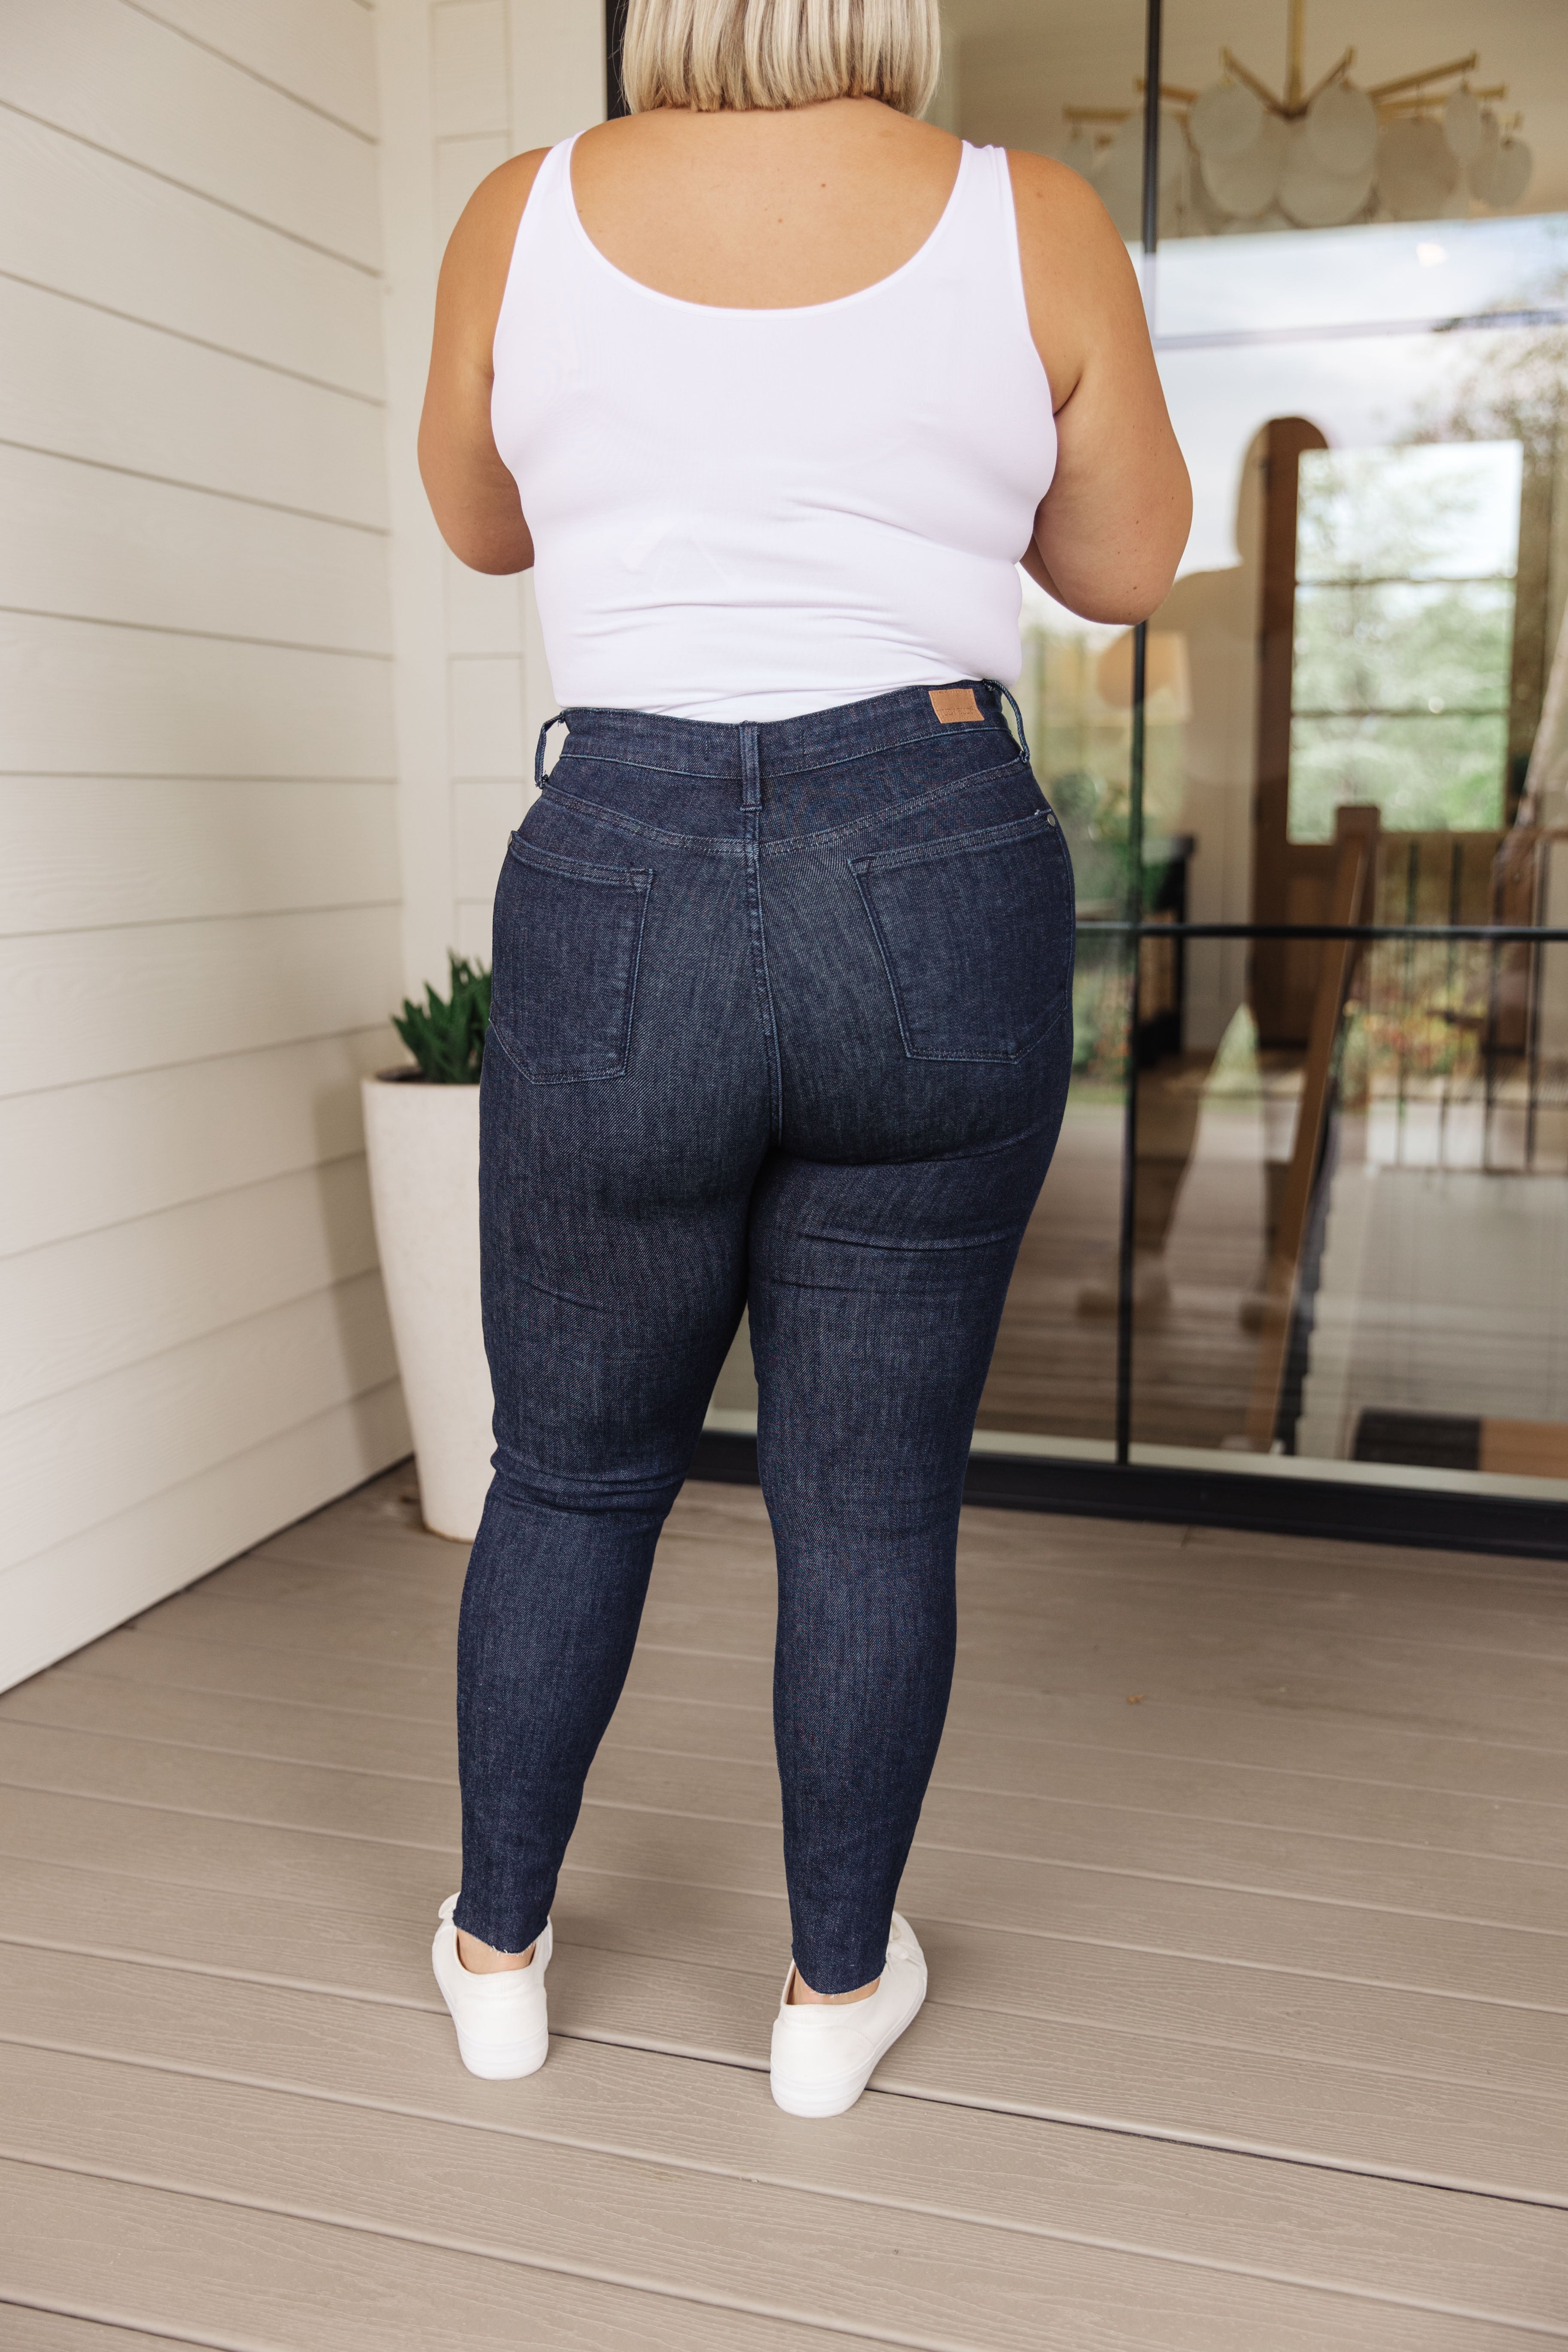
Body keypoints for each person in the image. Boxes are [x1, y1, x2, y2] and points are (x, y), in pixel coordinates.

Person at [417, 0, 1188, 2118]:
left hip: (623, 863)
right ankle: (832, 1996)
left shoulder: (519, 212)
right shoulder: (1032, 219)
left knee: (572, 1469)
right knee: (867, 1504)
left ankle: (498, 1954)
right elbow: (1123, 567)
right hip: (932, 850)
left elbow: (484, 523)